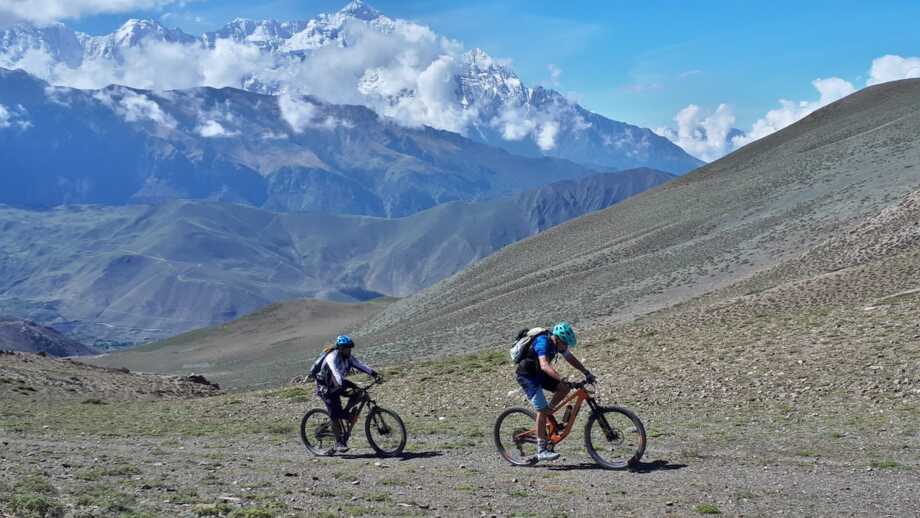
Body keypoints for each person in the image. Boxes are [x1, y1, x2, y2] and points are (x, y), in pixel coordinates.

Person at [515, 321, 595, 462]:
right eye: (565, 344)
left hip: (539, 373)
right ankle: (541, 450)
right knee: (542, 410)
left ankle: (548, 413)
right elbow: (545, 365)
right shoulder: (543, 342)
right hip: (528, 376)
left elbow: (570, 358)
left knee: (564, 389)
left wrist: (586, 372)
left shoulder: (558, 343)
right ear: (557, 339)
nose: (566, 347)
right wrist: (562, 378)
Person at [314, 334, 380, 453]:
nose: (348, 350)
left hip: (338, 383)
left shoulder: (348, 357)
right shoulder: (331, 357)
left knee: (359, 393)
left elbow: (361, 365)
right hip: (325, 387)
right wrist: (341, 385)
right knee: (335, 414)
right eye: (346, 348)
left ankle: (345, 413)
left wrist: (374, 374)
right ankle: (339, 442)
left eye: (350, 348)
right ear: (340, 348)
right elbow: (335, 372)